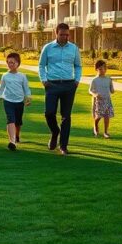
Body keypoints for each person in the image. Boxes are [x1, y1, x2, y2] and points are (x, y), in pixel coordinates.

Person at [38, 22, 81, 155]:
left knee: (66, 116)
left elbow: (78, 66)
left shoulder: (73, 48)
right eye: (62, 34)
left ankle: (63, 146)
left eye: (67, 35)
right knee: (49, 113)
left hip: (69, 85)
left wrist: (77, 80)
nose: (65, 37)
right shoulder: (48, 48)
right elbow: (41, 65)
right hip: (52, 85)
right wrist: (44, 80)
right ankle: (55, 132)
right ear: (56, 33)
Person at [0, 52, 32, 151]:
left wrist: (28, 98)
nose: (10, 64)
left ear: (18, 63)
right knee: (10, 119)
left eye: (13, 62)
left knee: (18, 122)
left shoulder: (22, 76)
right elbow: (1, 88)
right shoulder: (5, 76)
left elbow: (26, 89)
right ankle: (12, 141)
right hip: (8, 101)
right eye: (9, 62)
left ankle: (17, 135)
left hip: (19, 102)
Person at [89, 59, 115, 138]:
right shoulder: (94, 80)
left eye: (104, 68)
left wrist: (113, 90)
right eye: (100, 68)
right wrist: (95, 94)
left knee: (107, 116)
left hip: (107, 100)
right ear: (97, 69)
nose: (103, 70)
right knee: (99, 116)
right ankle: (95, 125)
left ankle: (106, 132)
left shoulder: (108, 79)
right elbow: (90, 90)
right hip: (99, 101)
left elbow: (111, 89)